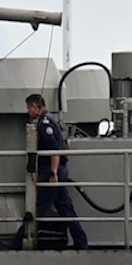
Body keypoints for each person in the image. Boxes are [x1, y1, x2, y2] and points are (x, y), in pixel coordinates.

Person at [12, 94, 88, 250]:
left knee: (38, 207)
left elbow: (54, 150)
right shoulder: (49, 120)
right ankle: (81, 241)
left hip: (53, 172)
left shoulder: (44, 123)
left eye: (29, 108)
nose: (28, 111)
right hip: (58, 171)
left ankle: (19, 239)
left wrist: (53, 174)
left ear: (35, 106)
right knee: (65, 208)